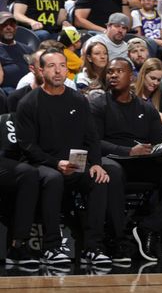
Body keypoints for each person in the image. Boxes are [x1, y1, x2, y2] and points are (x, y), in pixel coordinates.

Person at [16, 48, 123, 266]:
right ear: (41, 70)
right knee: (53, 179)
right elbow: (27, 146)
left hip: (74, 164)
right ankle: (51, 247)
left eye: (62, 65)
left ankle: (93, 248)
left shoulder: (78, 100)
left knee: (99, 178)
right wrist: (56, 163)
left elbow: (91, 138)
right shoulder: (29, 103)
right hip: (43, 164)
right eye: (52, 66)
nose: (58, 71)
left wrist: (96, 164)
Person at [90, 58, 162, 261]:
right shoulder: (98, 105)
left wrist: (161, 149)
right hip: (113, 161)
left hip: (142, 163)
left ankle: (150, 227)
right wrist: (129, 151)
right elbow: (94, 142)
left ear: (131, 77)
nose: (113, 75)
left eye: (119, 71)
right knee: (114, 170)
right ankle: (118, 240)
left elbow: (158, 141)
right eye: (110, 72)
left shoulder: (146, 108)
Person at [0, 11, 33, 93]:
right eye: (4, 24)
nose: (8, 27)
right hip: (6, 91)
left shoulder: (27, 49)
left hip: (29, 89)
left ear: (16, 28)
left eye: (12, 24)